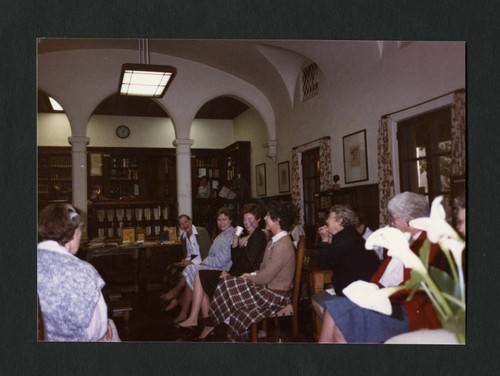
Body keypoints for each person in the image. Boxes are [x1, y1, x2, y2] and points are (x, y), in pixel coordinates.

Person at [319, 192, 448, 343]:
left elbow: (413, 288)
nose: (392, 223)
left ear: (410, 220)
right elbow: (380, 274)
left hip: (408, 310)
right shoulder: (403, 240)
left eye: (394, 219)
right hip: (387, 302)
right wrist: (370, 289)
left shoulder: (431, 245)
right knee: (334, 309)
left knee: (344, 320)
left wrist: (378, 297)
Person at [204, 200, 297, 342]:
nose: (265, 218)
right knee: (236, 307)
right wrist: (251, 274)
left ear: (277, 220)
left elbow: (265, 276)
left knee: (229, 284)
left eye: (268, 216)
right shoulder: (274, 241)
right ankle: (225, 326)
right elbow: (263, 270)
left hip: (276, 296)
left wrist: (248, 278)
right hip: (268, 289)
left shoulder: (282, 245)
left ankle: (215, 321)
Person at [178, 202, 267, 340]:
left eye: (250, 219)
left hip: (246, 280)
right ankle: (203, 319)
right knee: (200, 276)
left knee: (200, 276)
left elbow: (246, 265)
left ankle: (201, 319)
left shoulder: (258, 236)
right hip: (237, 274)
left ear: (258, 219)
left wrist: (230, 273)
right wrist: (236, 241)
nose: (247, 222)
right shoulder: (247, 236)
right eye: (245, 219)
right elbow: (237, 259)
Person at [37, 203, 118, 341]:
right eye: (81, 230)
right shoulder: (83, 272)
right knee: (110, 328)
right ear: (74, 232)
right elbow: (96, 330)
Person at [311, 205, 380, 326]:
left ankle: (344, 329)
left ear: (340, 221)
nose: (326, 221)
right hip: (354, 289)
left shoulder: (348, 240)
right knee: (318, 298)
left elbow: (323, 263)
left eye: (329, 217)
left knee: (318, 300)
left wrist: (324, 240)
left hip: (358, 295)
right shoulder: (348, 236)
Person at [169, 207, 234, 324]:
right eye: (219, 219)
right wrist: (204, 261)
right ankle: (203, 316)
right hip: (213, 265)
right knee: (192, 271)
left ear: (230, 220)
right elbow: (210, 255)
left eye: (224, 219)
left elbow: (222, 260)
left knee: (194, 271)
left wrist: (205, 262)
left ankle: (189, 311)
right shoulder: (221, 235)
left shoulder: (230, 235)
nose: (221, 222)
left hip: (221, 269)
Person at [160, 215, 212, 313]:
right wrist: (186, 261)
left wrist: (191, 262)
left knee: (187, 270)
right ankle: (176, 299)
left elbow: (206, 255)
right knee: (171, 268)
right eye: (181, 224)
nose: (184, 225)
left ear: (190, 221)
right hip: (193, 262)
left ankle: (174, 294)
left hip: (204, 264)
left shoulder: (201, 232)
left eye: (185, 222)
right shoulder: (183, 237)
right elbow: (189, 254)